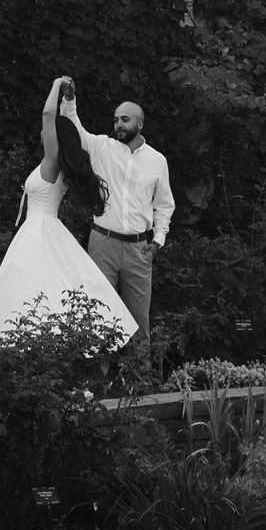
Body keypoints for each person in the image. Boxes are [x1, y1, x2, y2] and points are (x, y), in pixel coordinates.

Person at [0, 77, 139, 345]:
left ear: (56, 136)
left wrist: (56, 84)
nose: (42, 133)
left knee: (38, 287)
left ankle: (34, 345)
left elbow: (47, 113)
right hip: (38, 229)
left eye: (48, 131)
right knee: (40, 289)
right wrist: (70, 99)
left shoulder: (52, 161)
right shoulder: (55, 163)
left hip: (40, 231)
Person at [58, 80, 174, 354]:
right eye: (116, 120)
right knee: (98, 313)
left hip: (139, 249)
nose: (118, 124)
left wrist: (157, 242)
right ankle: (97, 385)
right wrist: (69, 100)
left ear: (140, 124)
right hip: (103, 244)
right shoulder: (102, 147)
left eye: (125, 119)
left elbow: (165, 206)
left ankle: (140, 384)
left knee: (138, 321)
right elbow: (72, 128)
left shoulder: (157, 161)